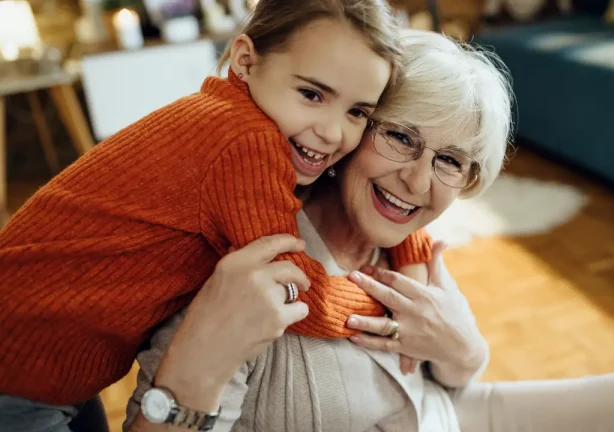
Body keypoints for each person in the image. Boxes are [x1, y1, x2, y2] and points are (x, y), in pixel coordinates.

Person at [124, 29, 614, 431]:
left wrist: (464, 348)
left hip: (448, 416)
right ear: (357, 128)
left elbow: (459, 372)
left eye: (450, 160)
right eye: (401, 137)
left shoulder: (409, 251)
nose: (418, 181)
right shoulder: (251, 255)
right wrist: (195, 368)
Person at [0, 0, 433, 427]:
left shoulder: (233, 115)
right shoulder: (246, 140)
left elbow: (383, 185)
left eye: (357, 112)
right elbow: (296, 289)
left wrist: (410, 251)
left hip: (46, 368)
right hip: (20, 376)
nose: (332, 131)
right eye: (312, 94)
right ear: (244, 60)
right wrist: (391, 307)